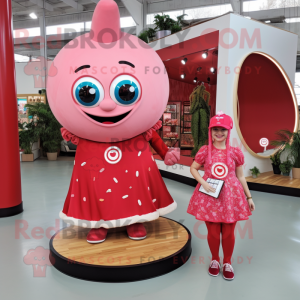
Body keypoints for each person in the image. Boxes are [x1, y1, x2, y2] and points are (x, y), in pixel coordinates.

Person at [46, 0, 180, 244]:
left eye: (125, 91)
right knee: (96, 191)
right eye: (88, 93)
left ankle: (135, 219)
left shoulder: (143, 128)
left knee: (135, 189)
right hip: (94, 155)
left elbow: (153, 137)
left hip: (134, 151)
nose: (107, 105)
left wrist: (165, 152)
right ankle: (99, 224)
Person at [187, 111, 255, 280]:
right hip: (210, 196)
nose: (219, 132)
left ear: (228, 131)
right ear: (210, 131)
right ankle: (215, 260)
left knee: (229, 232)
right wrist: (203, 183)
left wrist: (249, 197)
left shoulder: (235, 152)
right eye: (215, 129)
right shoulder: (204, 151)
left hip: (231, 196)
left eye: (223, 129)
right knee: (213, 231)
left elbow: (240, 176)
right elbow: (193, 168)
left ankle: (227, 262)